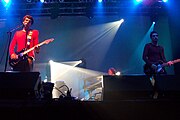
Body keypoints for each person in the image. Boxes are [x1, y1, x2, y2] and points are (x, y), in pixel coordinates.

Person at [142, 31, 173, 99]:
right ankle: (153, 94)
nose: (155, 37)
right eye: (154, 36)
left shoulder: (161, 48)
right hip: (151, 68)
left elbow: (163, 58)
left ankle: (163, 94)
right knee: (153, 82)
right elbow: (144, 57)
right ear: (151, 37)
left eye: (156, 35)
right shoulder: (148, 46)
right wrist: (151, 65)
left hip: (159, 67)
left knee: (164, 79)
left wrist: (167, 63)